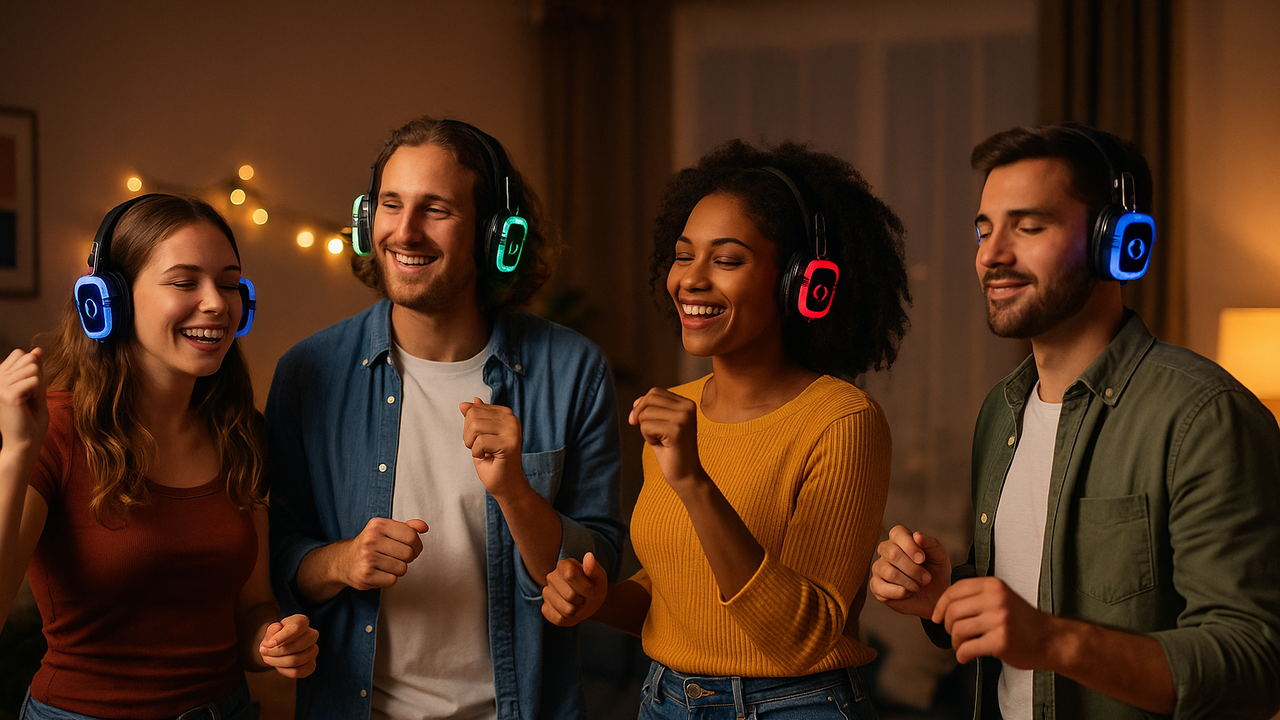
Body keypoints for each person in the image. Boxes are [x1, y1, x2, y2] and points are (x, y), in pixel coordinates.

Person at [869, 123, 1280, 719]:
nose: (991, 255)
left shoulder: (1205, 417)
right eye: (984, 229)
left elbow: (1255, 664)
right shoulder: (1000, 411)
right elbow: (1028, 602)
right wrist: (943, 596)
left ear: (1119, 242)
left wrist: (1053, 641)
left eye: (1029, 227)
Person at [265, 115, 625, 720]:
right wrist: (340, 561)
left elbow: (599, 561)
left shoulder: (573, 370)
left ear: (495, 235)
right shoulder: (307, 373)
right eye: (390, 205)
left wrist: (515, 492)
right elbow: (273, 556)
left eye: (435, 210)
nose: (404, 231)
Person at [541, 140, 912, 719]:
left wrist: (695, 483)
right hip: (664, 700)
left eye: (727, 260)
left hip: (793, 707)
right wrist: (598, 601)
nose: (691, 279)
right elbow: (675, 596)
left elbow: (802, 636)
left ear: (802, 282)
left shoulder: (841, 421)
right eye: (683, 256)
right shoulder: (677, 410)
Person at [0, 193, 319, 720]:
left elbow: (252, 608)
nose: (216, 303)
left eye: (229, 283)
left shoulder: (242, 433)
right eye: (184, 282)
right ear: (107, 301)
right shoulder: (52, 430)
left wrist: (271, 641)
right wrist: (16, 452)